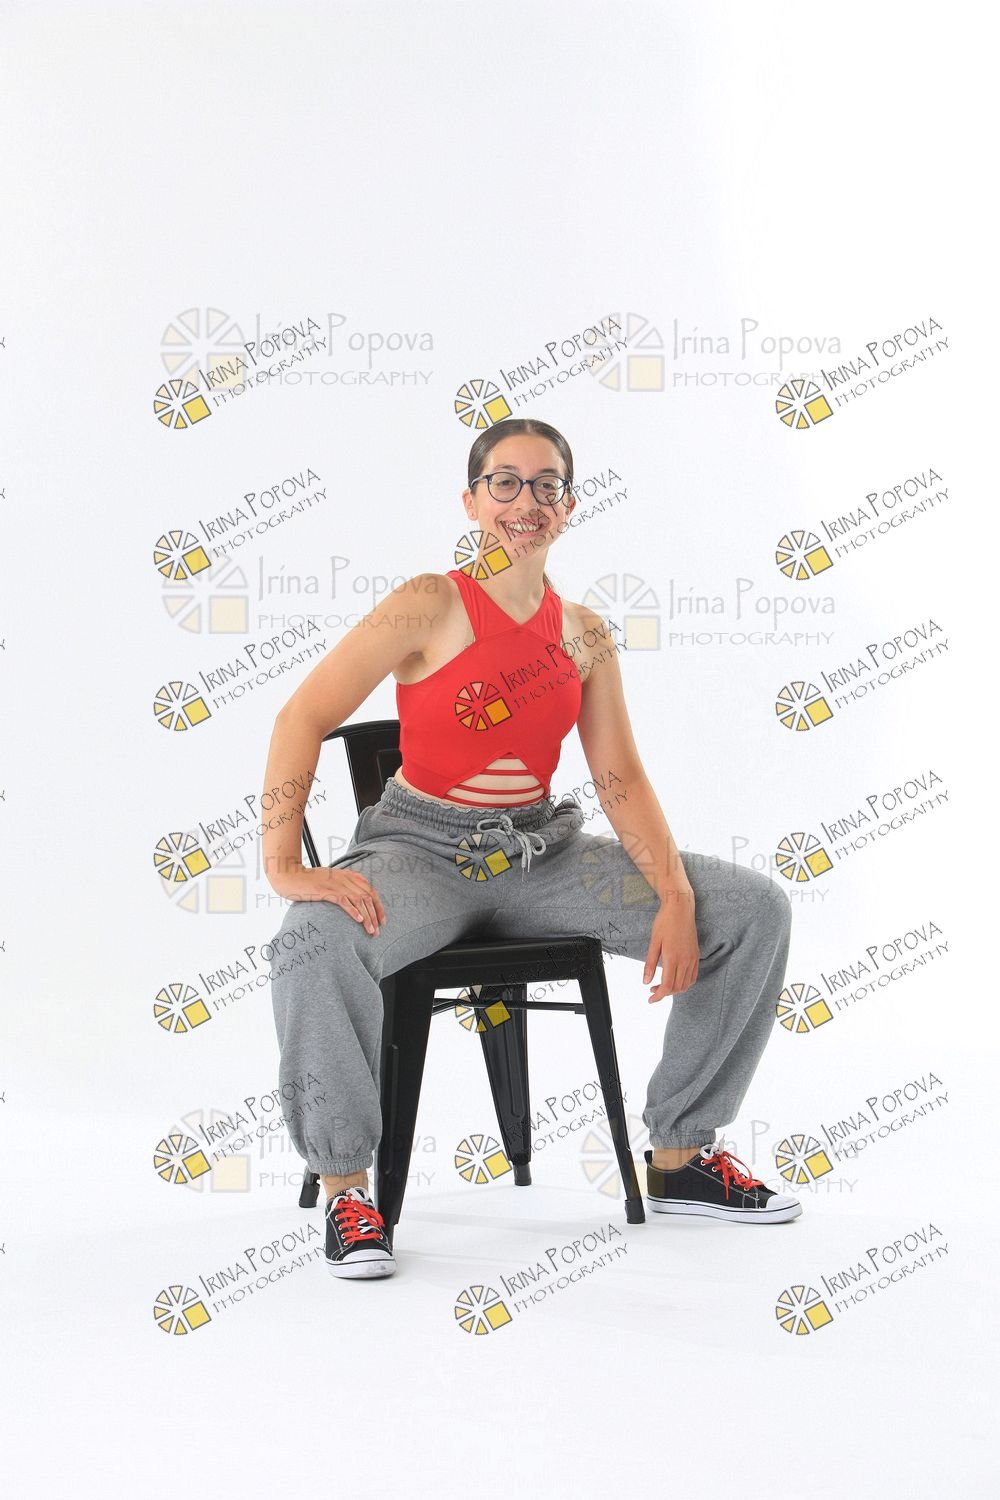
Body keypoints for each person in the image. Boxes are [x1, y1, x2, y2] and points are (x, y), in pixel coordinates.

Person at [262, 417, 798, 1281]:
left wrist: (674, 893)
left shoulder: (583, 633)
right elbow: (301, 717)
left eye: (547, 484)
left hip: (541, 854)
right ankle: (348, 1189)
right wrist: (285, 866)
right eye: (504, 482)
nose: (526, 500)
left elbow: (619, 776)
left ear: (569, 505)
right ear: (472, 501)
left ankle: (681, 1156)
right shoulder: (427, 602)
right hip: (421, 854)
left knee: (752, 908)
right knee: (311, 940)